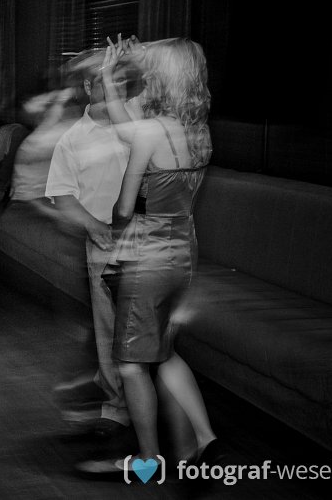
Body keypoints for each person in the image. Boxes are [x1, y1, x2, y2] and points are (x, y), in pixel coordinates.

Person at [82, 37, 219, 474]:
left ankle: (146, 460)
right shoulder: (199, 131)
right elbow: (128, 129)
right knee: (162, 351)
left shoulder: (151, 132)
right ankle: (206, 438)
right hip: (183, 251)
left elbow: (123, 208)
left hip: (147, 256)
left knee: (130, 365)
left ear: (161, 78)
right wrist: (109, 77)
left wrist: (110, 222)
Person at [43, 49, 143, 437]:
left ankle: (151, 406)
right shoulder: (72, 140)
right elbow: (62, 194)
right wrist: (93, 225)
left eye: (119, 80)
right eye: (105, 81)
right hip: (104, 243)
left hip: (147, 239)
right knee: (109, 331)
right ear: (88, 86)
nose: (114, 88)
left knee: (146, 331)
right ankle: (117, 409)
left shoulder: (137, 120)